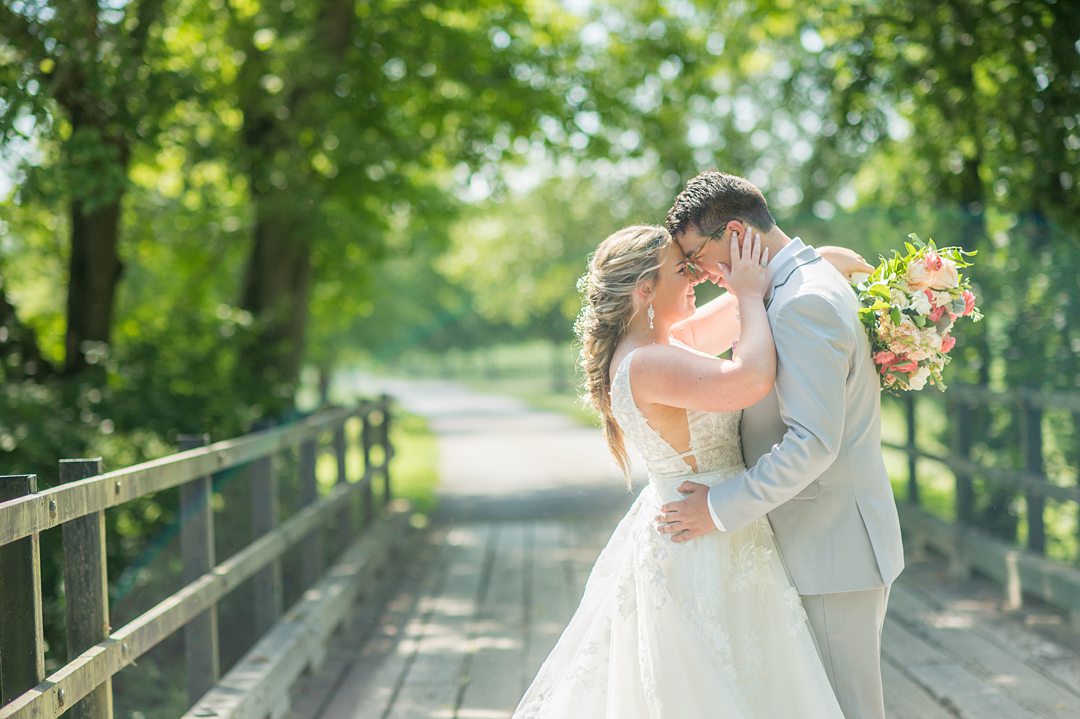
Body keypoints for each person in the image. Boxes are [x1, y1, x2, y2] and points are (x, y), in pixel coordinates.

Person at [513, 215, 875, 718]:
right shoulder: (647, 363)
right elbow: (749, 379)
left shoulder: (663, 344)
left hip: (718, 527)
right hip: (703, 537)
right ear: (645, 289)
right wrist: (750, 297)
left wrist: (813, 262)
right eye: (682, 270)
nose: (697, 278)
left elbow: (721, 320)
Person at [657, 171, 905, 719]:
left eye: (700, 257)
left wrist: (716, 510)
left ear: (738, 233)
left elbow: (813, 443)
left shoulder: (802, 302)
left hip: (832, 550)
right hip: (819, 543)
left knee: (848, 709)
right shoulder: (791, 285)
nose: (702, 274)